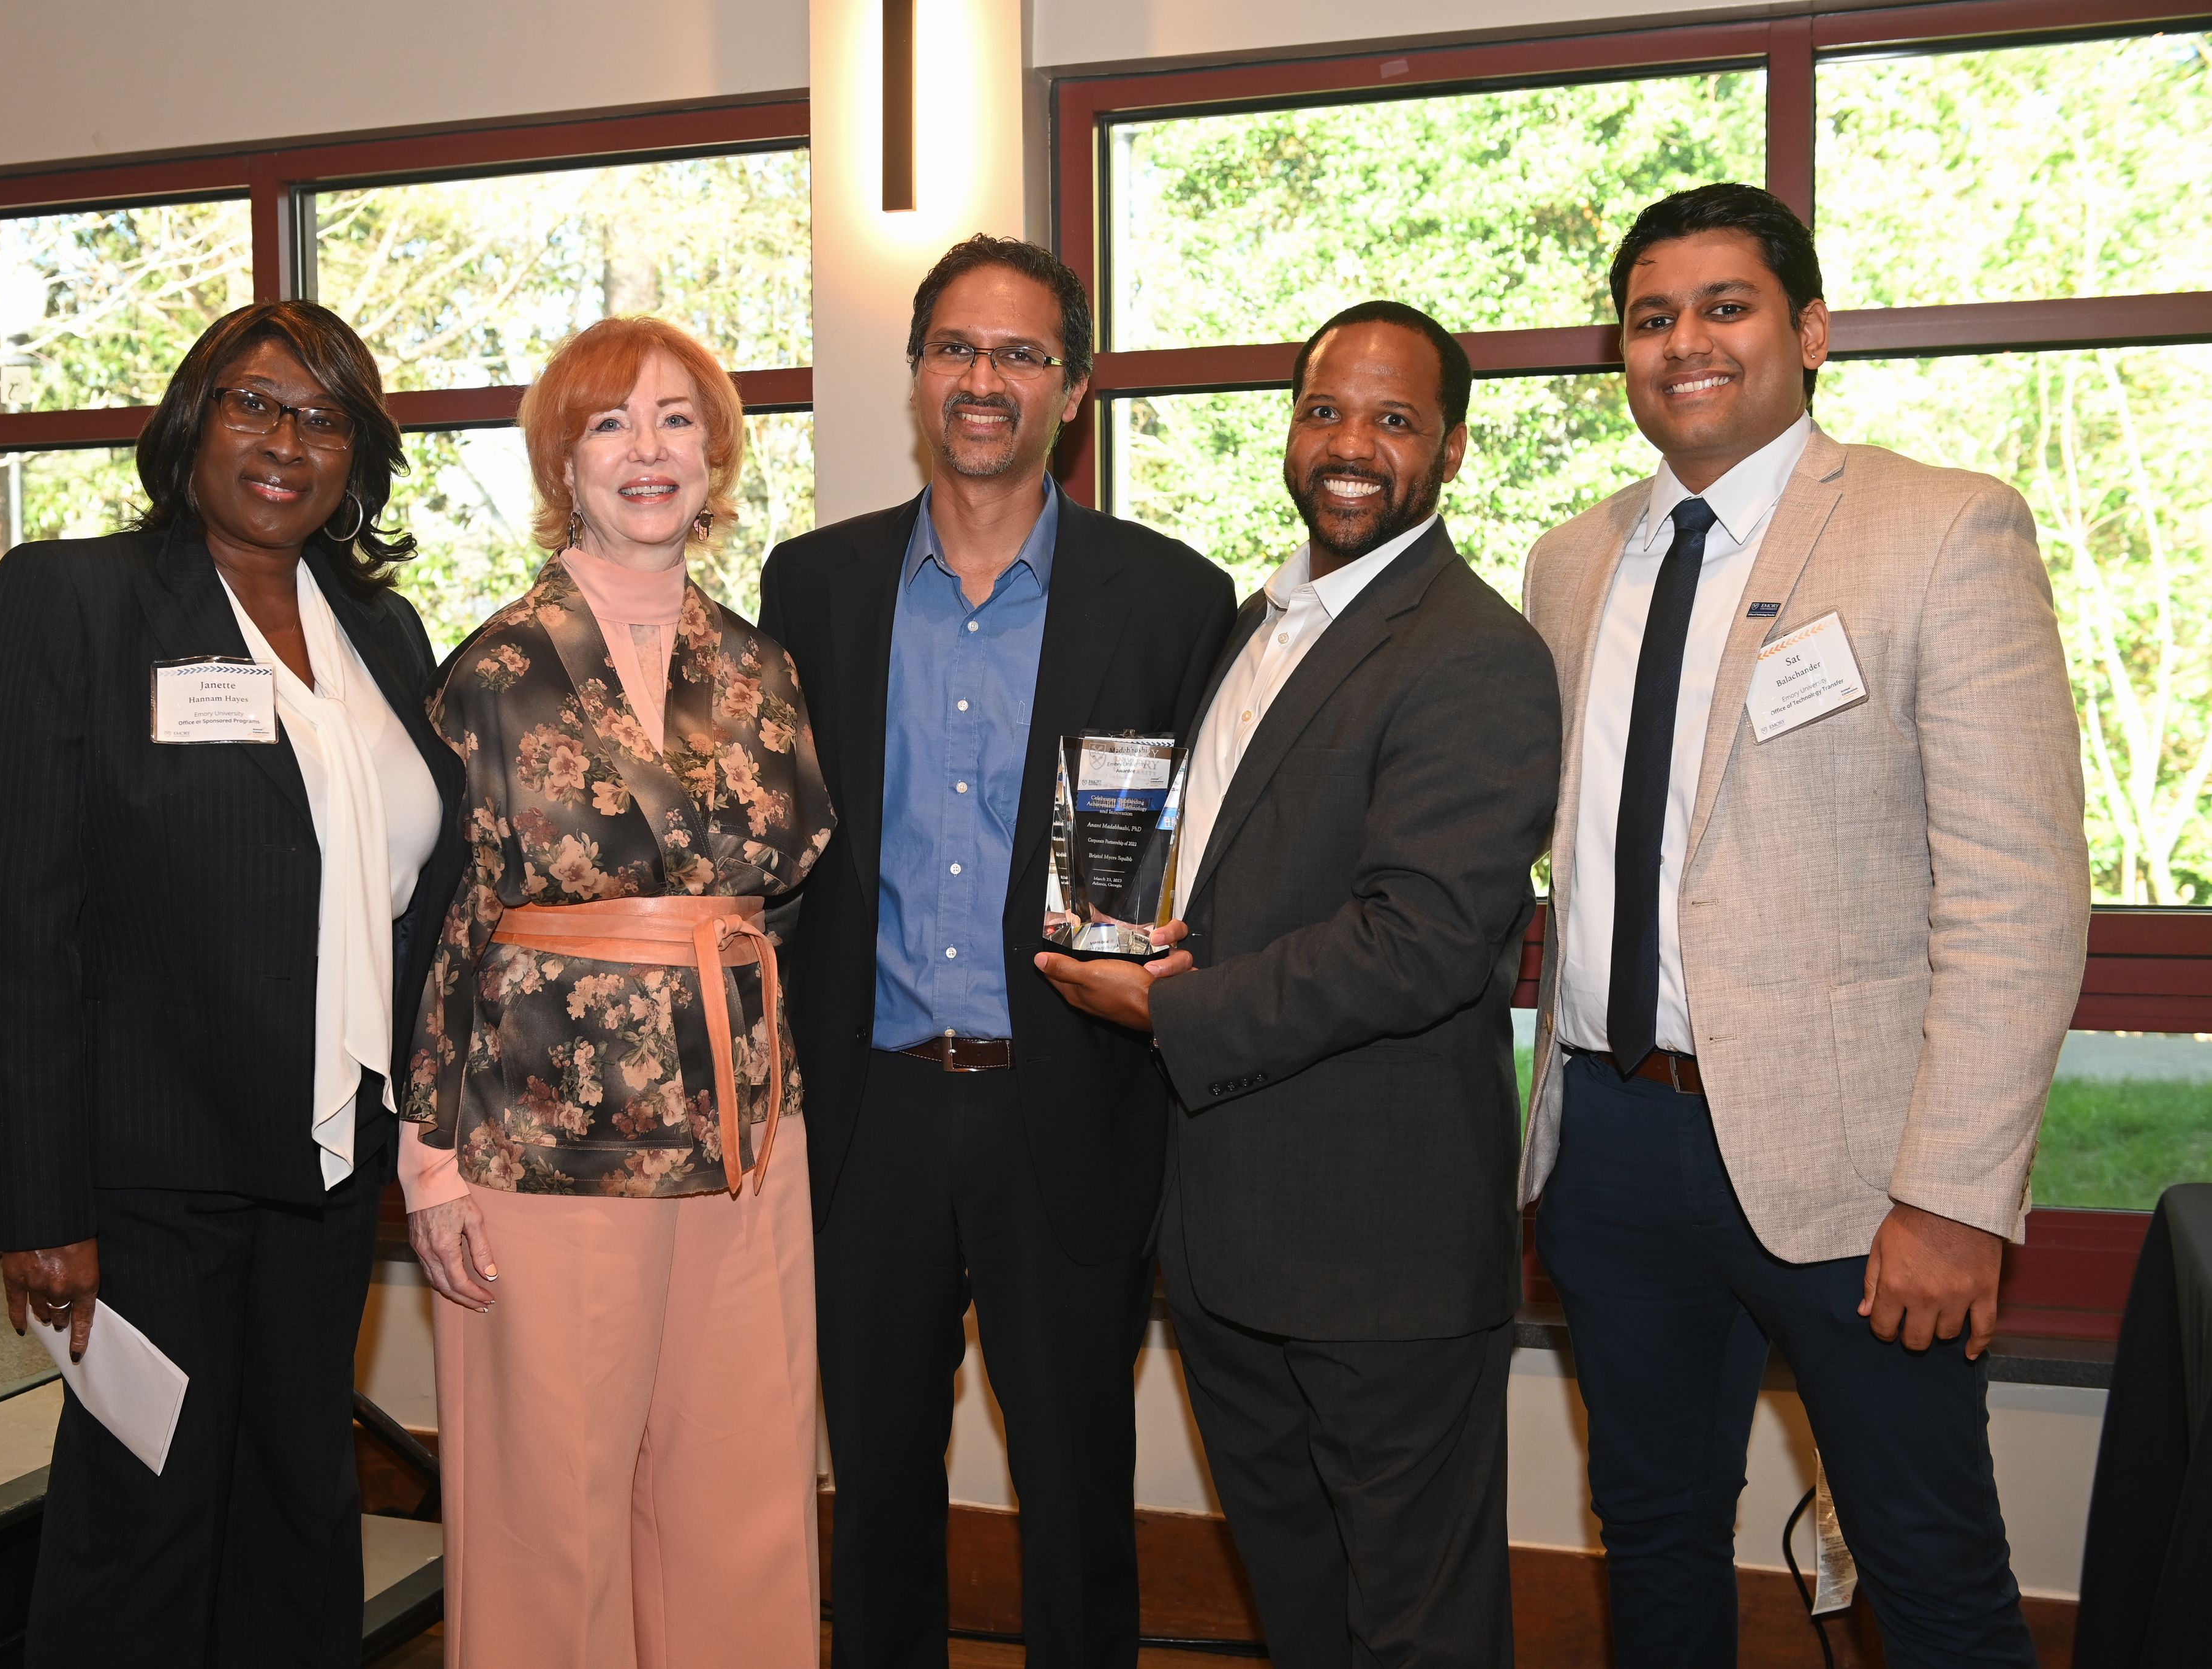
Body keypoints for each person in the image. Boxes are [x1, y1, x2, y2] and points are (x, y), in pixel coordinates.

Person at [1520, 183, 2090, 1667]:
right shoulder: (1569, 563)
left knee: (1928, 1565)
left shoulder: (1941, 527)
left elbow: (2017, 895)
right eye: (1650, 317)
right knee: (1649, 1532)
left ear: (1809, 331)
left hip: (1859, 1173)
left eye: (1726, 307)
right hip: (1609, 1140)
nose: (1684, 342)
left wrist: (1953, 1196)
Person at [0, 299, 465, 1667]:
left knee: (300, 1506)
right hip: (145, 1178)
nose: (288, 441)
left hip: (326, 1161)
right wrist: (37, 1201)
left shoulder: (383, 631)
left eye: (324, 417)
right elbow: (9, 921)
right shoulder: (74, 603)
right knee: (143, 1530)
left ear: (356, 456)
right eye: (255, 404)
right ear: (192, 423)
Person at [1039, 303, 1561, 1668]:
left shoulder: (1473, 652)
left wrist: (1165, 1007)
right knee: (1302, 1613)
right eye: (1326, 410)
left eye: (1393, 420)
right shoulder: (1252, 625)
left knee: (1418, 1630)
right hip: (1223, 1239)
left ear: (1452, 449)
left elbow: (1424, 938)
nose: (1351, 445)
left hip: (1379, 1252)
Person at [759, 235, 1235, 1668]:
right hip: (870, 1110)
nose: (984, 378)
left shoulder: (1169, 597)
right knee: (875, 1491)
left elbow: (1211, 854)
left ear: (1072, 389)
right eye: (956, 348)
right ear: (916, 372)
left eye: (1021, 353)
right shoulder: (815, 585)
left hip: (1069, 1102)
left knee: (1077, 1495)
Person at [399, 315, 835, 1669]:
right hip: (545, 1130)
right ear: (564, 463)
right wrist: (427, 1156)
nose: (647, 450)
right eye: (609, 423)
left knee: (744, 1487)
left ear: (714, 457)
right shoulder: (492, 667)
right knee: (551, 1503)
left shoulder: (761, 666)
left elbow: (792, 891)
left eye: (676, 420)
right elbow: (447, 922)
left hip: (746, 1132)